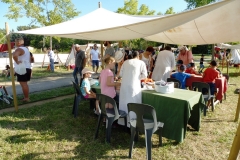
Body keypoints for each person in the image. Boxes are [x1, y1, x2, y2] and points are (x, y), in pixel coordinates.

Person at [118, 51, 147, 126]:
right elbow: (144, 75)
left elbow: (121, 74)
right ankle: (133, 123)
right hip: (134, 86)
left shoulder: (125, 62)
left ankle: (123, 122)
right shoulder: (141, 63)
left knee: (124, 103)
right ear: (138, 56)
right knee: (133, 104)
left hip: (124, 85)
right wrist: (137, 77)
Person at [13, 37, 32, 102]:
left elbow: (15, 55)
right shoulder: (26, 49)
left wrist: (17, 61)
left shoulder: (19, 49)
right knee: (25, 84)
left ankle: (26, 98)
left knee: (23, 84)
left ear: (18, 43)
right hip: (27, 67)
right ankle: (26, 97)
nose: (14, 43)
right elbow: (30, 59)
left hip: (22, 68)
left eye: (15, 42)